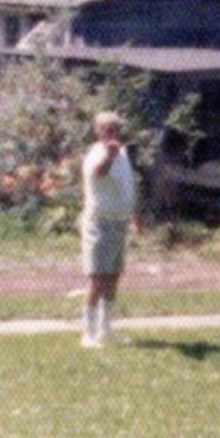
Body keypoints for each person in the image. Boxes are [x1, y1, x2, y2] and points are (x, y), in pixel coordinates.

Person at [79, 110, 137, 347]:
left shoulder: (122, 153)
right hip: (99, 224)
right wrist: (109, 156)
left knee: (113, 277)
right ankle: (88, 333)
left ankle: (106, 330)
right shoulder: (97, 154)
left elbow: (125, 185)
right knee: (97, 279)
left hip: (119, 222)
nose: (113, 134)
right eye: (108, 130)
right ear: (98, 132)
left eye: (116, 129)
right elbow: (98, 173)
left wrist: (131, 212)